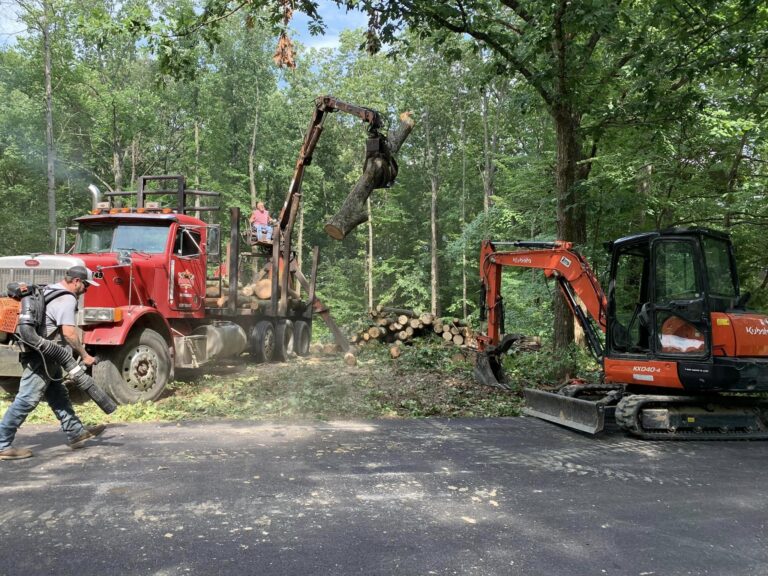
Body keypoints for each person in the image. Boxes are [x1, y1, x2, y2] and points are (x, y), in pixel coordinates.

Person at [0, 265, 107, 460]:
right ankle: (2, 443)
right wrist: (84, 355)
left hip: (41, 352)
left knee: (57, 392)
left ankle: (75, 432)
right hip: (43, 355)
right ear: (76, 281)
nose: (86, 290)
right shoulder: (67, 298)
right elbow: (69, 333)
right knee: (27, 399)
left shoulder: (48, 289)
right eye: (86, 285)